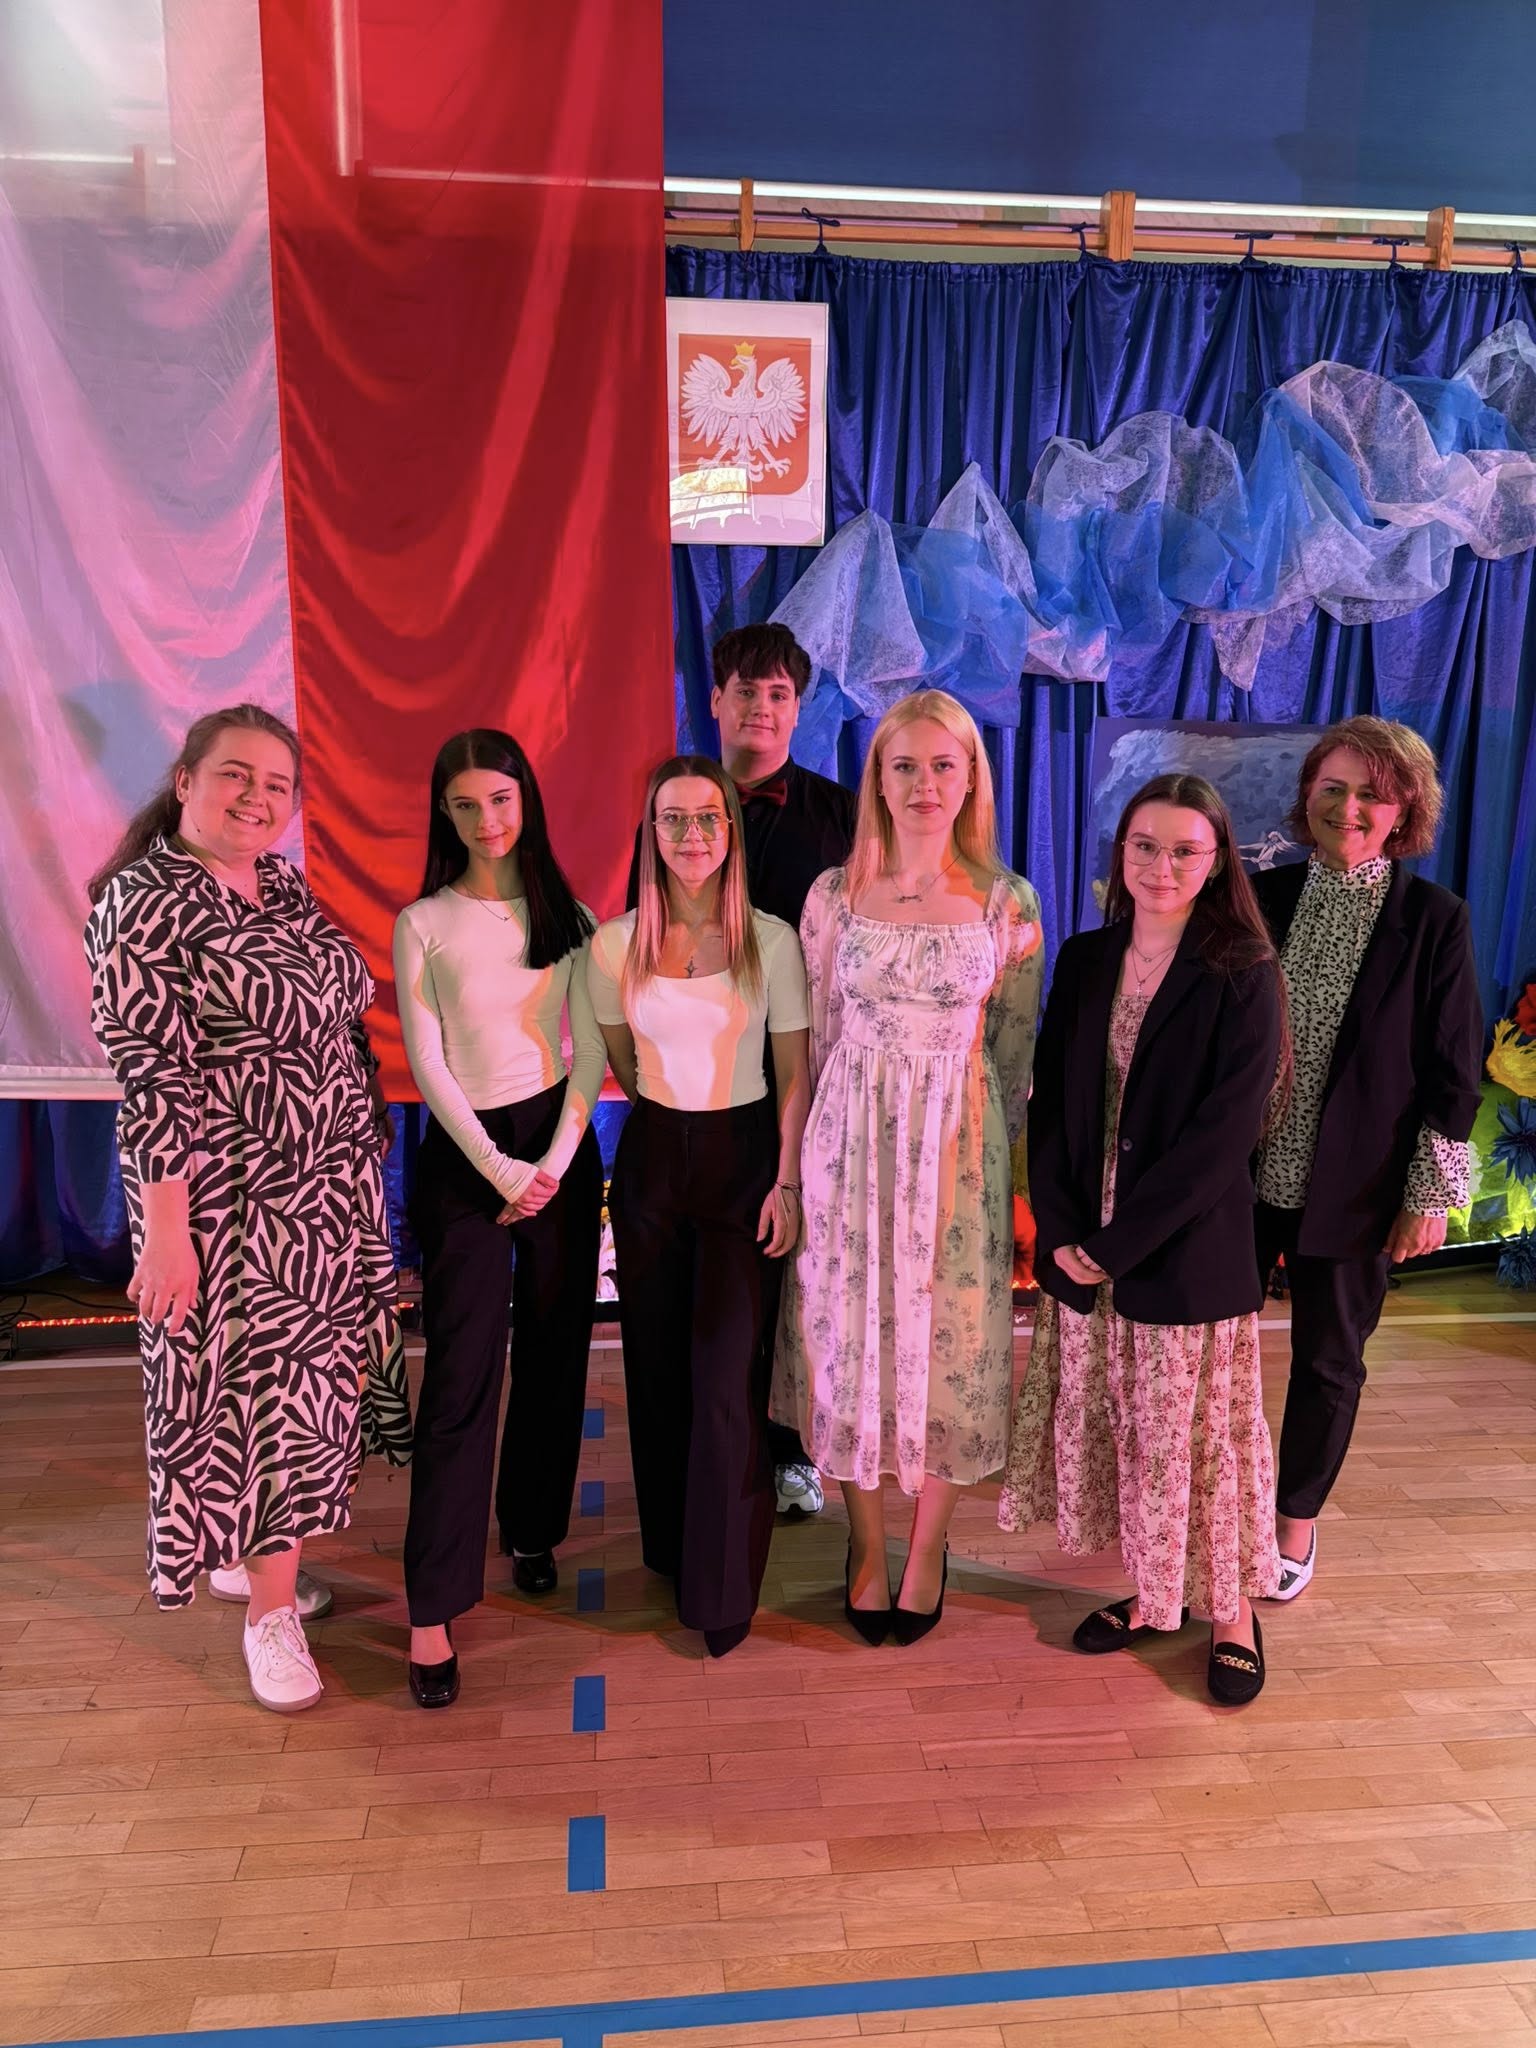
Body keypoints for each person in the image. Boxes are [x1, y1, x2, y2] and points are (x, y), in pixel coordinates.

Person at [83, 705, 410, 1714]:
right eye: (236, 774)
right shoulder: (141, 901)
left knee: (293, 1395)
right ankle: (270, 1613)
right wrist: (167, 1231)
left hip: (319, 1194)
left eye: (276, 784)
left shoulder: (279, 884)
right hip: (227, 1202)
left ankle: (248, 1556)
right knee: (266, 1401)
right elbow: (152, 1076)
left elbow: (333, 1013)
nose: (256, 798)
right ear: (185, 780)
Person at [999, 774, 1287, 1705]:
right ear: (1121, 852)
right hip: (1086, 1242)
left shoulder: (1244, 967)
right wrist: (1061, 1232)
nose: (1162, 866)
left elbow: (1222, 1138)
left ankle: (1231, 1613)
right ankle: (1159, 1597)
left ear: (1217, 860)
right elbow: (1051, 1101)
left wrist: (1115, 1246)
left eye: (1184, 850)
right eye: (1145, 846)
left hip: (1181, 1248)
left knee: (1198, 1443)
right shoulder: (1087, 957)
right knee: (1135, 1436)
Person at [773, 689, 1042, 1646]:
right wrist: (800, 1170)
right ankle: (865, 1542)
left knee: (950, 1353)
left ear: (971, 779)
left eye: (943, 765)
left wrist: (1005, 1182)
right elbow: (814, 1039)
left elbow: (1012, 1055)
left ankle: (926, 1548)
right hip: (849, 1152)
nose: (924, 784)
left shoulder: (1009, 903)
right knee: (847, 1347)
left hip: (958, 1155)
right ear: (877, 781)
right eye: (904, 766)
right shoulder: (832, 896)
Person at [393, 731, 605, 1708]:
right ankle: (431, 1609)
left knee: (556, 1351)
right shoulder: (423, 921)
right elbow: (428, 1062)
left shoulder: (570, 913)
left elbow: (590, 1051)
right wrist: (498, 1169)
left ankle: (531, 1526)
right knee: (460, 1377)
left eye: (502, 798)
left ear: (527, 800)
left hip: (557, 1143)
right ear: (446, 812)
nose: (488, 819)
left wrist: (551, 1165)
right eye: (467, 803)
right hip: (465, 1152)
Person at [1251, 717, 1483, 1601]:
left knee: (1328, 1362)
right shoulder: (1258, 897)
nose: (1348, 808)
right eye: (1333, 787)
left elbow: (1454, 1071)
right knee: (1208, 1353)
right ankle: (1214, 1505)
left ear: (1404, 813)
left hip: (1358, 1187)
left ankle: (1292, 1527)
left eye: (1372, 795)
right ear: (1308, 793)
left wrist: (1430, 1195)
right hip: (1238, 1179)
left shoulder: (1435, 920)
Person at [627, 622, 854, 1520]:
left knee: (792, 1275)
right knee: (705, 1293)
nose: (761, 706)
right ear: (714, 700)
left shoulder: (842, 816)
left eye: (779, 693)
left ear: (798, 710)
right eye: (745, 689)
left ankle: (790, 1449)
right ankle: (703, 1451)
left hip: (805, 1078)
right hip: (697, 1086)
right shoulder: (674, 808)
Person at [593, 754, 811, 1657]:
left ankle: (720, 1590)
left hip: (743, 1165)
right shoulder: (615, 945)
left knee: (727, 1377)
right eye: (673, 818)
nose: (691, 834)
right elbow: (623, 1060)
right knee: (655, 1370)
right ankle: (671, 1546)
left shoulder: (772, 941)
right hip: (653, 1163)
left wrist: (787, 1181)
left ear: (730, 831)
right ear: (651, 832)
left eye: (708, 817)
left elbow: (794, 1074)